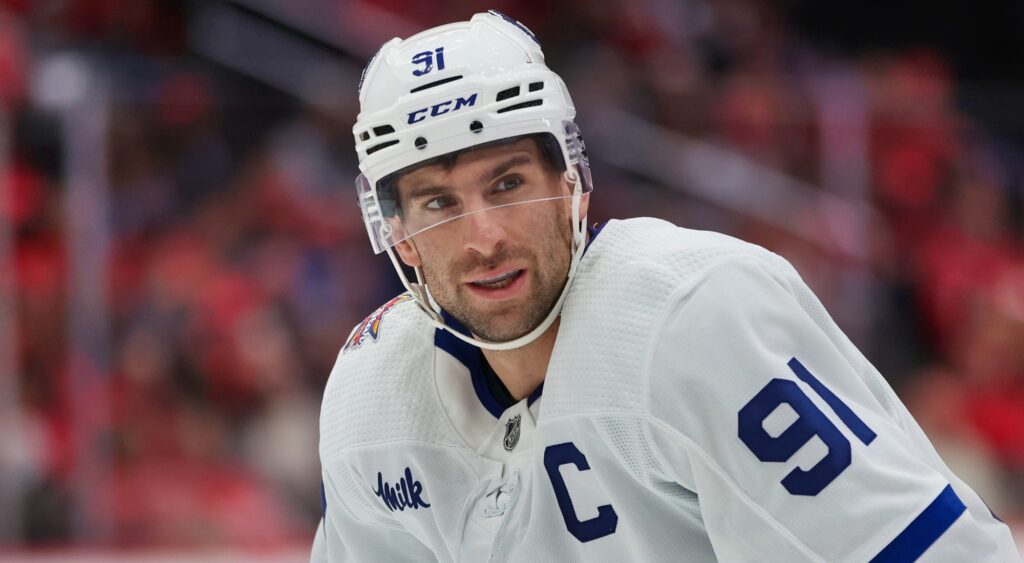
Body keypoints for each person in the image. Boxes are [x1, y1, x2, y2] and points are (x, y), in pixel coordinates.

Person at [313, 11, 1021, 562]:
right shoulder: (372, 393)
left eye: (508, 183)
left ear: (570, 183)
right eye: (439, 203)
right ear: (395, 231)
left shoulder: (690, 314)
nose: (485, 236)